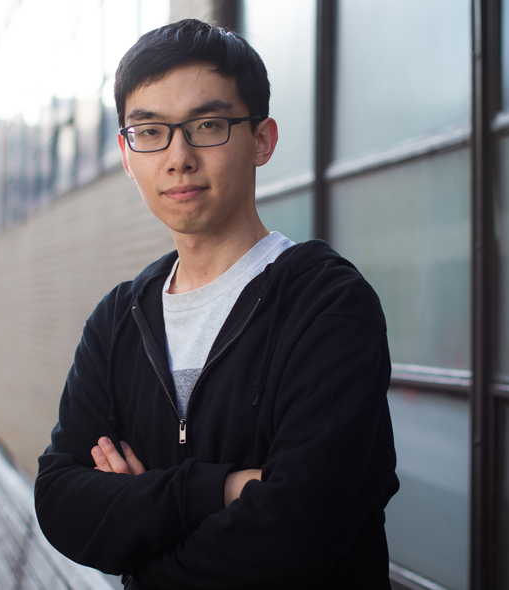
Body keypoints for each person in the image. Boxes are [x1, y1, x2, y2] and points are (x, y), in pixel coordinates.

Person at [35, 18, 398, 590]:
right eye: (150, 131)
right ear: (129, 157)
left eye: (207, 125)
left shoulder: (327, 304)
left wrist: (139, 529)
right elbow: (60, 500)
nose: (178, 157)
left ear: (262, 139)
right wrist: (220, 491)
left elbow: (297, 531)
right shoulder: (118, 321)